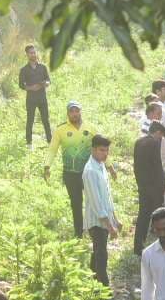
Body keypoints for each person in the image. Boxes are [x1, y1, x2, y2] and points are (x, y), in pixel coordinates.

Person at [50, 101, 94, 238]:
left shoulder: (90, 128)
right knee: (76, 203)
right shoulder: (61, 130)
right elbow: (52, 149)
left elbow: (100, 148)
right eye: (71, 111)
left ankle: (93, 229)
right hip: (70, 173)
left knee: (92, 201)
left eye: (76, 111)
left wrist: (109, 166)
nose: (74, 114)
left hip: (88, 172)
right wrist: (47, 165)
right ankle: (78, 232)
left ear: (80, 111)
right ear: (68, 113)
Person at [83, 134, 121, 287]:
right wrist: (110, 226)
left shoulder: (100, 166)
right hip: (97, 222)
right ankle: (104, 289)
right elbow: (97, 203)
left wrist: (115, 219)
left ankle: (93, 285)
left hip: (104, 220)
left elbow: (107, 198)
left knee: (97, 253)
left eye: (107, 151)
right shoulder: (90, 170)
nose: (105, 154)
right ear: (93, 150)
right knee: (101, 256)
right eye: (101, 150)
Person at [133, 120, 165, 255]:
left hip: (142, 186)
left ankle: (138, 246)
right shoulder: (154, 143)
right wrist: (163, 185)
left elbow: (136, 166)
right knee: (158, 217)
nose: (161, 139)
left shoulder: (139, 142)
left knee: (142, 216)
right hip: (154, 188)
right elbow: (157, 167)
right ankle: (158, 246)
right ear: (158, 132)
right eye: (161, 136)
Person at [18, 43, 51, 145]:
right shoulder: (24, 70)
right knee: (30, 121)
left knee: (45, 120)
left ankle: (50, 142)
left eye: (34, 52)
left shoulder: (43, 67)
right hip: (31, 99)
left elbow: (49, 80)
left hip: (42, 98)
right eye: (31, 53)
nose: (33, 54)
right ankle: (29, 144)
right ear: (27, 55)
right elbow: (21, 85)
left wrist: (45, 84)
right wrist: (31, 88)